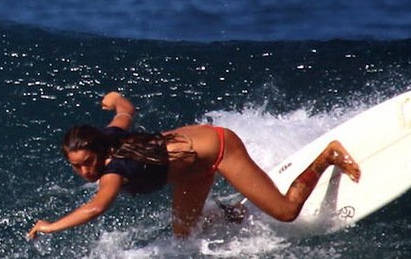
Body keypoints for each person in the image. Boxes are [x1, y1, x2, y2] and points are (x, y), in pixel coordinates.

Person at [26, 90, 361, 240]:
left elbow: (96, 208)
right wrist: (113, 99)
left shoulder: (114, 171)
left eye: (88, 163)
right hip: (192, 169)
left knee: (287, 212)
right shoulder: (109, 138)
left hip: (219, 149)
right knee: (185, 234)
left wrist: (50, 226)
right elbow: (126, 110)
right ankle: (238, 212)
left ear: (99, 152)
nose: (85, 171)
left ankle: (328, 156)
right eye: (76, 166)